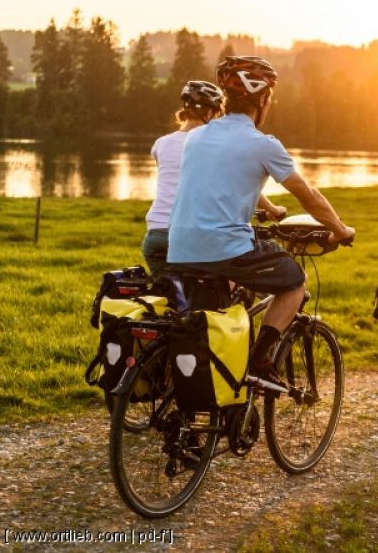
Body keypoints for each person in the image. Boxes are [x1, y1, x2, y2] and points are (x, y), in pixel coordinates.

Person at [167, 56, 354, 383]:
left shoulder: (196, 137)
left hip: (181, 249)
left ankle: (210, 399)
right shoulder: (262, 145)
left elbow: (220, 185)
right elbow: (308, 195)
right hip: (225, 250)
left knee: (208, 327)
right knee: (294, 281)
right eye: (270, 98)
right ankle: (261, 356)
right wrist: (340, 229)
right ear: (262, 99)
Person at [141, 81, 285, 277]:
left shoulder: (161, 144)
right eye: (218, 114)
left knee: (171, 292)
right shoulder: (208, 145)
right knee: (223, 286)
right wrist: (273, 209)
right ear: (209, 113)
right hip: (189, 235)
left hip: (155, 235)